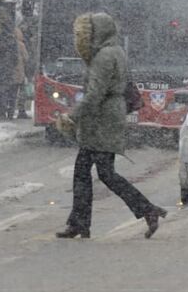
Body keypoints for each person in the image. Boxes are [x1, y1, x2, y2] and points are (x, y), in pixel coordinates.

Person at [56, 12, 166, 239]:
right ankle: (80, 223)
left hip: (102, 120)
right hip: (108, 116)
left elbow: (95, 94)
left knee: (99, 173)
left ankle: (146, 210)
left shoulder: (104, 56)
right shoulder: (116, 51)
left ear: (97, 33)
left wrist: (73, 116)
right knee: (91, 172)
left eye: (88, 31)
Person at [12, 26, 30, 119]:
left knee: (11, 93)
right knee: (22, 92)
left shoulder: (10, 44)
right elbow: (26, 58)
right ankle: (21, 111)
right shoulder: (21, 45)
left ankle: (7, 110)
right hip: (20, 72)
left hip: (10, 73)